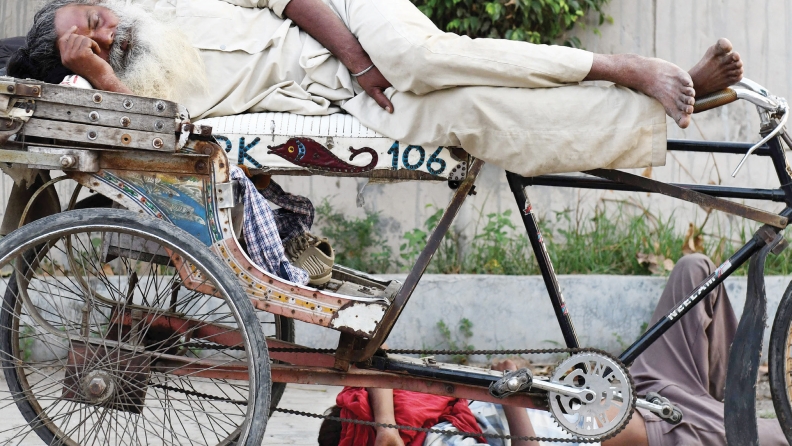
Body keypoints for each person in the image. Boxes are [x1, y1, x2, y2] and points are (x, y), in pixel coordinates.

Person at [8, 0, 744, 178]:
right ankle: (654, 106)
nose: (105, 31)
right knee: (474, 113)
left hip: (347, 22)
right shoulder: (123, 93)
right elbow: (149, 137)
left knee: (417, 61)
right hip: (335, 94)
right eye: (88, 43)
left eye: (92, 16)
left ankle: (622, 67)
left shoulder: (156, 3)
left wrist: (360, 59)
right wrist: (95, 74)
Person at [318, 254, 789, 446]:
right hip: (653, 426)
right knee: (775, 436)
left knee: (695, 270)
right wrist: (512, 398)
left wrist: (385, 426)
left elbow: (375, 365)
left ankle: (722, 401)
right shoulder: (443, 443)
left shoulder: (433, 413)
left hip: (636, 383)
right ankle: (724, 421)